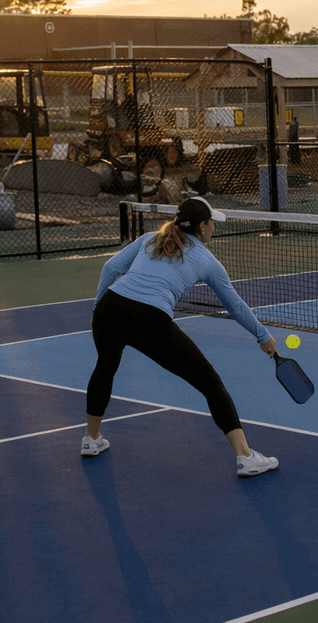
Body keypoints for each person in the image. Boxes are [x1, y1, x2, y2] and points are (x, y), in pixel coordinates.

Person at [83, 196, 281, 477]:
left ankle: (91, 439)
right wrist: (263, 336)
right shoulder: (207, 260)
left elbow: (111, 269)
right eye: (212, 223)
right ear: (202, 226)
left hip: (109, 309)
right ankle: (246, 457)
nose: (214, 227)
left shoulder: (150, 238)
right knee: (211, 383)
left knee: (105, 366)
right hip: (149, 319)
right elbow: (235, 306)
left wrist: (96, 308)